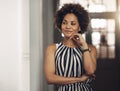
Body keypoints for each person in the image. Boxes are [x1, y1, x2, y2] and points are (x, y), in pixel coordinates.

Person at [44, 3, 97, 91]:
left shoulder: (91, 49)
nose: (68, 26)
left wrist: (84, 44)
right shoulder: (52, 49)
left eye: (73, 23)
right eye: (64, 23)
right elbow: (50, 78)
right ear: (60, 25)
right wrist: (79, 79)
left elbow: (90, 71)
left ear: (79, 27)